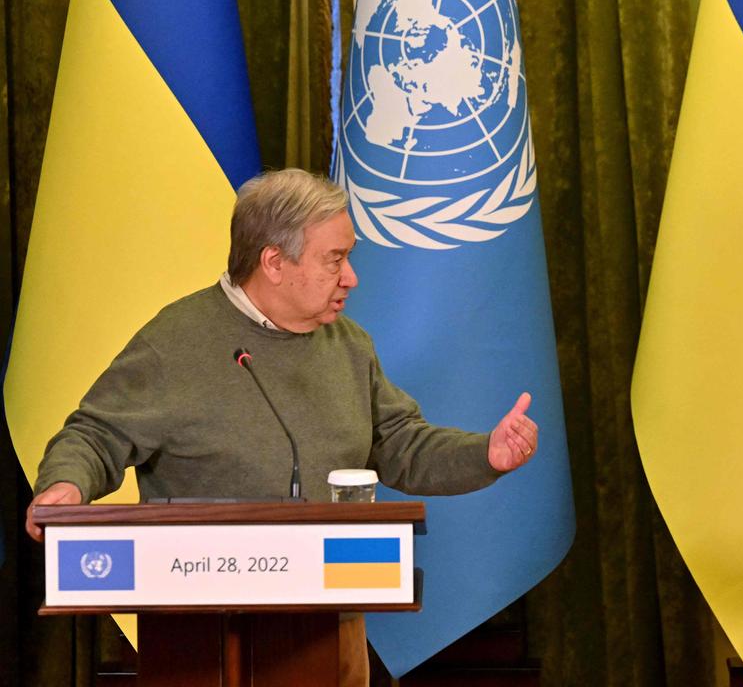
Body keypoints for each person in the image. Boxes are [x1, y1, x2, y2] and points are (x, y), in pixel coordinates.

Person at [24, 168, 539, 687]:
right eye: (334, 259)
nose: (351, 277)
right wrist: (66, 484)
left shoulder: (349, 346)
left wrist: (485, 453)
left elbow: (401, 443)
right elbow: (94, 435)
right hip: (197, 636)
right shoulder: (175, 342)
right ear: (274, 261)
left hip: (329, 626)